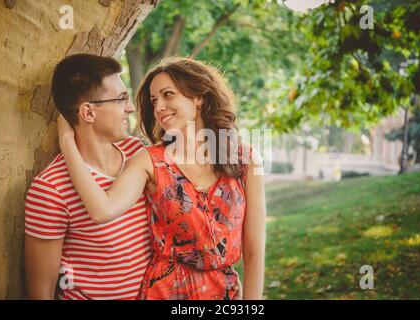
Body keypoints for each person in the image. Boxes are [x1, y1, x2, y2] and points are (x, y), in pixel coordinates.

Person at [58, 57, 266, 300]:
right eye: (154, 100)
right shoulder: (149, 161)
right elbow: (102, 210)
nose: (158, 107)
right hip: (166, 292)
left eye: (168, 95)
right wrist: (67, 144)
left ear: (198, 97)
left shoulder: (247, 161)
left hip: (225, 294)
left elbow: (254, 251)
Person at [24, 54, 152, 299]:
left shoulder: (138, 154)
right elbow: (41, 291)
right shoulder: (50, 190)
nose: (130, 107)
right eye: (121, 99)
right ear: (88, 113)